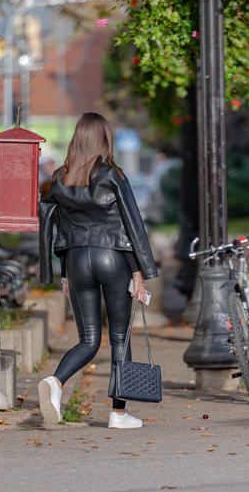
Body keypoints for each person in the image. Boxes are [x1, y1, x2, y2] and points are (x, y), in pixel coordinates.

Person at [36, 112, 159, 429]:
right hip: (112, 258)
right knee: (120, 336)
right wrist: (138, 272)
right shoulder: (111, 174)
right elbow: (130, 224)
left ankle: (56, 383)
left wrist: (63, 272)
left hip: (77, 261)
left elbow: (57, 226)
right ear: (103, 139)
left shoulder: (61, 178)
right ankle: (118, 413)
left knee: (88, 340)